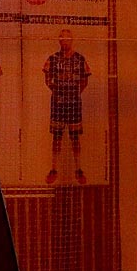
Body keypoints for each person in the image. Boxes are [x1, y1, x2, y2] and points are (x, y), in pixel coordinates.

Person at [43, 28, 90, 185]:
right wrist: (57, 91)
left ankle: (78, 169)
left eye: (67, 39)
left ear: (72, 40)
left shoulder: (80, 59)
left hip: (74, 104)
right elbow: (47, 78)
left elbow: (85, 80)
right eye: (62, 39)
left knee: (75, 138)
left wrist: (75, 93)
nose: (64, 41)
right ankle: (53, 168)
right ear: (59, 41)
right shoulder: (53, 59)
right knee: (56, 137)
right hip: (57, 104)